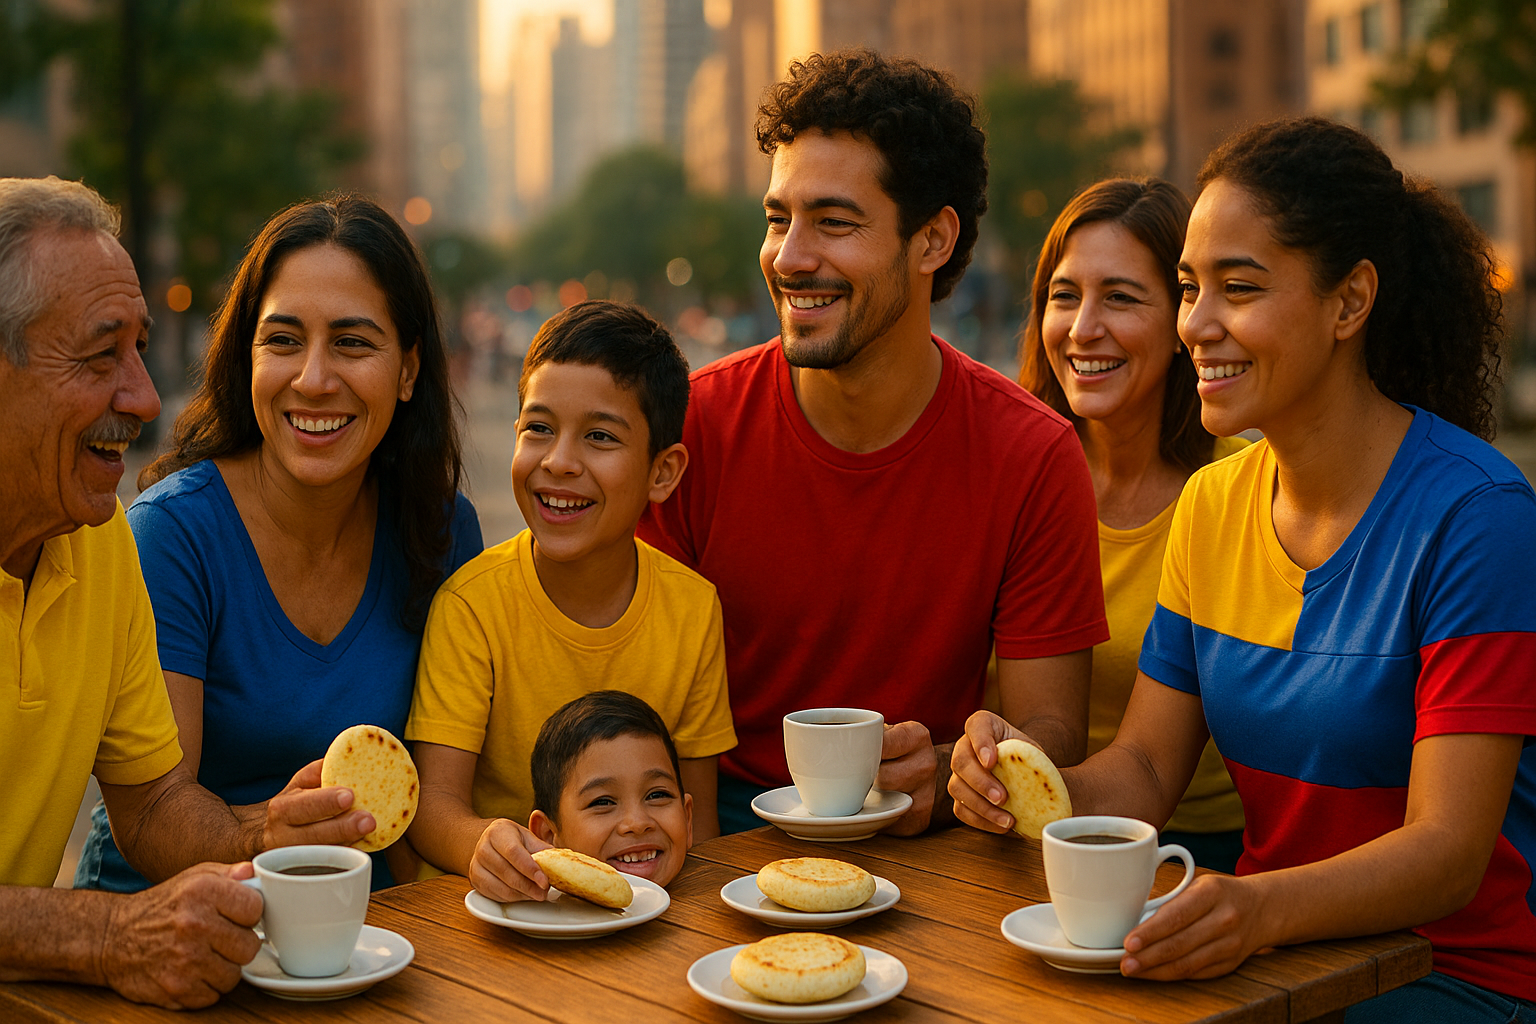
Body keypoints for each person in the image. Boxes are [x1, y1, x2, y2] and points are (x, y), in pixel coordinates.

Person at [950, 117, 1536, 1021]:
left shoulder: (1477, 518)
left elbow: (1449, 851)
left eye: (1240, 287)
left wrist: (1256, 908)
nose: (1198, 324)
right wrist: (1020, 777)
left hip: (1449, 977)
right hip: (1265, 963)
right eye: (1189, 287)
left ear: (1350, 303)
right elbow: (1145, 767)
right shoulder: (1213, 507)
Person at [637, 48, 1107, 835]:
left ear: (932, 241)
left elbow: (1050, 733)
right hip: (717, 829)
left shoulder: (1033, 455)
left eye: (834, 222)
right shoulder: (692, 429)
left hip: (941, 844)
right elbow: (636, 703)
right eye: (778, 218)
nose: (788, 258)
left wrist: (958, 768)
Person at [74, 196, 483, 895]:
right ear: (247, 355)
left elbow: (444, 793)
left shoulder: (443, 531)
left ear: (409, 371)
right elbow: (151, 813)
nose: (314, 379)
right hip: (165, 935)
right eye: (284, 340)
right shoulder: (171, 536)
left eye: (352, 342)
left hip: (365, 939)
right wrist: (265, 832)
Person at [0, 176, 270, 1008]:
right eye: (97, 354)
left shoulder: (103, 541)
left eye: (141, 349)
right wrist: (110, 936)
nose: (146, 400)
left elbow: (150, 802)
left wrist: (265, 833)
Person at [407, 301, 736, 902]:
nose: (558, 462)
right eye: (538, 428)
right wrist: (481, 844)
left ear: (663, 473)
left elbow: (699, 821)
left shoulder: (693, 608)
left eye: (600, 437)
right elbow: (433, 806)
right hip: (502, 919)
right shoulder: (472, 605)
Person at [1019, 178, 1246, 874]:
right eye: (1065, 296)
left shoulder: (1234, 490)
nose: (1084, 328)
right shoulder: (1009, 472)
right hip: (1023, 836)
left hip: (1198, 856)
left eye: (1120, 297)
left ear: (1183, 320)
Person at [526, 690, 694, 889]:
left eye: (657, 795)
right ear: (547, 837)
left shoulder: (711, 907)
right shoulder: (522, 916)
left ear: (687, 818)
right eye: (602, 802)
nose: (637, 823)